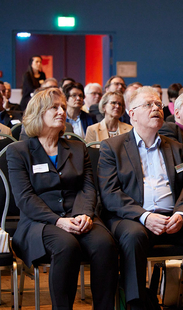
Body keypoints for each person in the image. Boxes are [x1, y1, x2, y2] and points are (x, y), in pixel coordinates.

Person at [98, 86, 183, 310]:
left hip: (172, 217)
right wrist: (144, 216)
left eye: (158, 104)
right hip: (133, 219)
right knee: (133, 236)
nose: (156, 108)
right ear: (132, 113)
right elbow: (110, 193)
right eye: (148, 105)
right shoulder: (112, 148)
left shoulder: (176, 148)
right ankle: (136, 304)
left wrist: (181, 213)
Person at [7, 87, 118, 310]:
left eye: (63, 108)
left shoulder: (78, 148)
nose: (61, 111)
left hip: (79, 215)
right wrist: (58, 221)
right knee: (66, 246)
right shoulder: (18, 151)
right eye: (54, 107)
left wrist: (85, 214)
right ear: (38, 113)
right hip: (39, 222)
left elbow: (88, 188)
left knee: (105, 244)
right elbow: (25, 198)